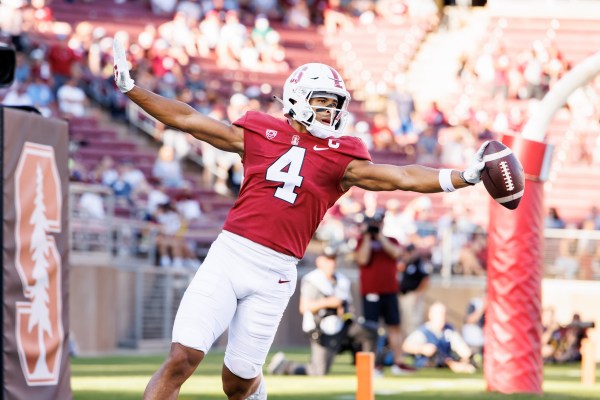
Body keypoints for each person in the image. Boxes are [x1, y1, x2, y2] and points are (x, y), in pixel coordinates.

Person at [113, 39, 488, 400]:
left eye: (334, 104)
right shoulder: (260, 131)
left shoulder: (341, 156)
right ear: (297, 98)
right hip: (230, 255)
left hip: (276, 273)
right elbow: (190, 120)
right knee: (182, 359)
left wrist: (462, 178)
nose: (330, 111)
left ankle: (253, 388)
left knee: (237, 384)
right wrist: (132, 90)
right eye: (322, 101)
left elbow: (401, 176)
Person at [267, 245, 376, 376]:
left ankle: (367, 371)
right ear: (320, 261)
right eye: (328, 259)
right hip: (321, 330)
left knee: (369, 331)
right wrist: (328, 302)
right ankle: (286, 366)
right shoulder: (313, 280)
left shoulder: (342, 281)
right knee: (318, 372)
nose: (332, 263)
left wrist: (346, 312)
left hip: (341, 327)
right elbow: (304, 307)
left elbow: (349, 308)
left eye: (333, 259)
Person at [354, 210, 413, 374]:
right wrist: (367, 236)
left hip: (389, 291)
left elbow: (396, 253)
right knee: (371, 329)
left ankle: (398, 362)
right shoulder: (361, 241)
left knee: (394, 326)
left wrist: (380, 236)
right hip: (371, 291)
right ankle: (371, 365)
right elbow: (363, 259)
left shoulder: (391, 240)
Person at [402, 302, 475, 374]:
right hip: (427, 361)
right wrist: (422, 349)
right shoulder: (423, 331)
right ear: (430, 315)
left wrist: (466, 355)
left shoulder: (449, 331)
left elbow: (461, 347)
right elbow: (406, 346)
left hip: (446, 360)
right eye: (439, 314)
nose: (442, 317)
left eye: (444, 314)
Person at [398, 243, 430, 338]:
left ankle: (413, 343)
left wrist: (418, 293)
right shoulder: (408, 263)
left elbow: (426, 279)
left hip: (413, 295)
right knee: (405, 321)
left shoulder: (419, 263)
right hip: (404, 295)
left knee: (413, 321)